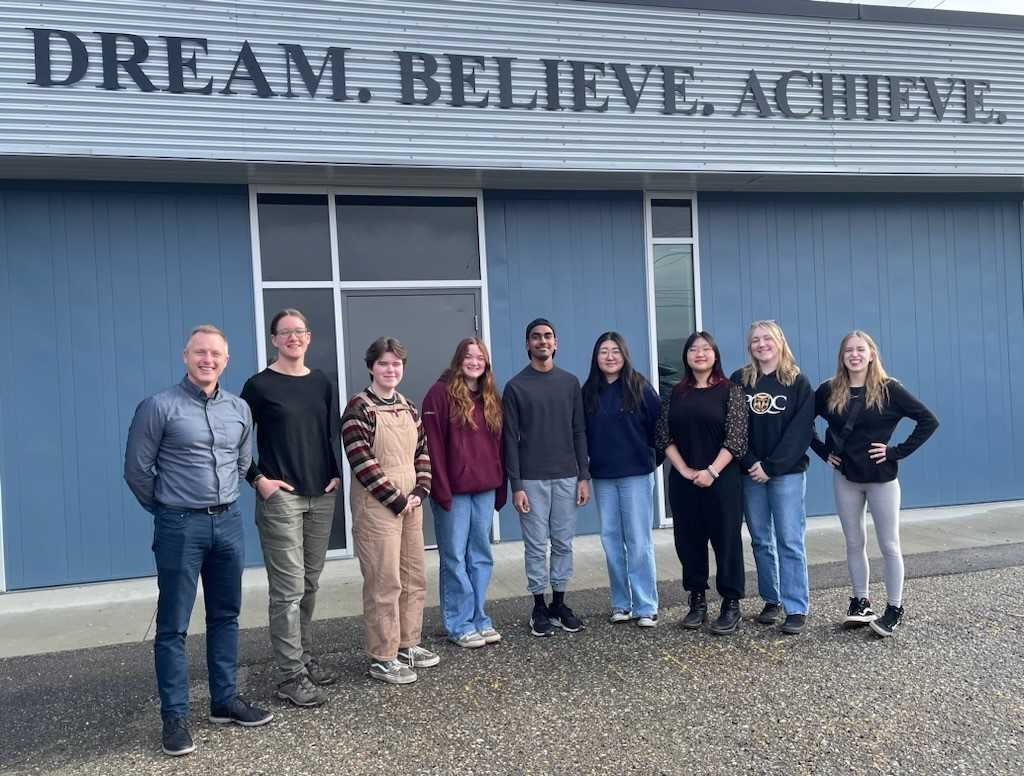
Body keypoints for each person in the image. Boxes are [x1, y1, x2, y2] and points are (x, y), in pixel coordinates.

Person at [124, 324, 272, 758]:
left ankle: (224, 701)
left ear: (226, 360)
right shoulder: (159, 407)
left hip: (228, 523)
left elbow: (242, 462)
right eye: (200, 353)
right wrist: (168, 510)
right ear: (186, 357)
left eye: (216, 354)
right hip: (180, 526)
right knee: (173, 625)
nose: (208, 360)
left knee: (226, 615)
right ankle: (174, 717)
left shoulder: (239, 409)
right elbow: (137, 471)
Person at [241, 309, 342, 707]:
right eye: (285, 333)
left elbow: (328, 433)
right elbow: (235, 439)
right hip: (281, 497)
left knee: (309, 583)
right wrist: (258, 480)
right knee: (288, 590)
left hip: (321, 494)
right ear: (274, 340)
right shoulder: (258, 386)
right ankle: (289, 675)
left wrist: (334, 473)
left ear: (309, 337)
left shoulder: (321, 382)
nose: (293, 338)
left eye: (299, 331)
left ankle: (302, 656)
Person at [811, 330, 938, 637]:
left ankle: (894, 608)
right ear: (841, 357)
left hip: (882, 479)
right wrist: (823, 452)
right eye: (848, 350)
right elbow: (803, 423)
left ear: (871, 354)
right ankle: (860, 602)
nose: (854, 355)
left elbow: (928, 420)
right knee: (854, 542)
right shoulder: (829, 390)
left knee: (889, 544)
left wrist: (896, 452)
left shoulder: (889, 389)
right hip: (846, 478)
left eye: (860, 349)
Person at [342, 336, 436, 683]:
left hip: (411, 501)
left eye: (396, 364)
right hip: (377, 504)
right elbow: (361, 462)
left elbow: (422, 450)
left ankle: (407, 644)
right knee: (384, 581)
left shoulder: (408, 406)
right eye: (383, 363)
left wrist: (421, 489)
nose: (390, 369)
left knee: (413, 576)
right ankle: (382, 655)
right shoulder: (359, 408)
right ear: (371, 367)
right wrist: (396, 498)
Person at [655, 331, 748, 635]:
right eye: (693, 349)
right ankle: (697, 601)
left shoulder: (730, 391)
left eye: (706, 349)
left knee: (726, 541)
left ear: (715, 355)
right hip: (684, 481)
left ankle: (731, 604)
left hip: (722, 480)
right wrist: (683, 469)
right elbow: (662, 435)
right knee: (689, 541)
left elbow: (736, 438)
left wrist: (711, 471)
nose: (700, 354)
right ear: (686, 356)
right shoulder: (675, 393)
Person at [503, 318, 591, 637]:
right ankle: (539, 606)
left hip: (567, 476)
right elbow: (509, 439)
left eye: (548, 336)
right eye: (536, 337)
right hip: (531, 480)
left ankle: (559, 603)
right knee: (536, 546)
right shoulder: (515, 387)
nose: (543, 341)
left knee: (564, 543)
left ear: (556, 343)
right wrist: (516, 486)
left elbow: (579, 431)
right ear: (527, 344)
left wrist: (583, 476)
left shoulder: (570, 383)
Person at [421, 338, 507, 649]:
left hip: (484, 488)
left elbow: (499, 446)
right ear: (458, 360)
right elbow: (432, 446)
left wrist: (501, 487)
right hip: (453, 493)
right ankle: (459, 624)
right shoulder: (439, 394)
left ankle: (479, 617)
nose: (474, 362)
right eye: (469, 356)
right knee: (455, 558)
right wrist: (440, 489)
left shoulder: (490, 396)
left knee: (480, 556)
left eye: (480, 357)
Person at [731, 321, 815, 635]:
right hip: (750, 473)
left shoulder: (797, 382)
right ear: (749, 346)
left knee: (789, 540)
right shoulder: (740, 380)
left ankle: (796, 607)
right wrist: (751, 462)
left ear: (780, 342)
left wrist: (772, 466)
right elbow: (733, 426)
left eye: (767, 338)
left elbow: (801, 431)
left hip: (787, 474)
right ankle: (771, 599)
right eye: (755, 340)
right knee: (760, 540)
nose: (761, 344)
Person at [582, 332, 661, 628]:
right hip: (603, 478)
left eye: (615, 351)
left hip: (636, 476)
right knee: (612, 541)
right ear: (596, 357)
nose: (610, 356)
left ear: (624, 354)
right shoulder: (589, 391)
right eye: (604, 351)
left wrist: (649, 461)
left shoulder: (640, 387)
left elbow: (660, 431)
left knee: (638, 541)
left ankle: (645, 605)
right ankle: (621, 603)